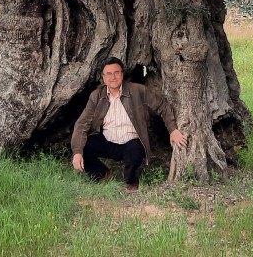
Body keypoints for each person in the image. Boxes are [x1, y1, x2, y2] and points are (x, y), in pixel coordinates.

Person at [71, 56, 188, 192]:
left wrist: (173, 130)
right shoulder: (97, 96)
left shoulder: (138, 90)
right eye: (108, 73)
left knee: (134, 152)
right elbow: (82, 124)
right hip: (108, 142)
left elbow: (163, 106)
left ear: (122, 74)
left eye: (116, 72)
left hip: (131, 141)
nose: (113, 77)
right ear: (103, 77)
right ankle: (104, 175)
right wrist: (77, 152)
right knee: (83, 146)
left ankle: (130, 181)